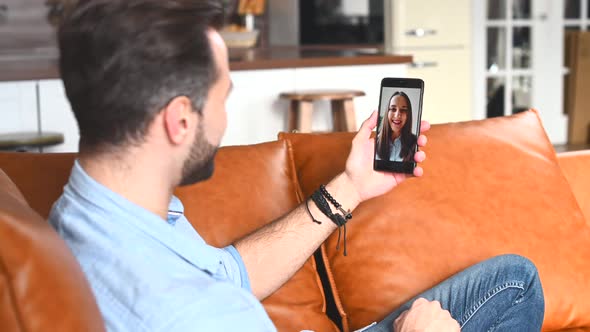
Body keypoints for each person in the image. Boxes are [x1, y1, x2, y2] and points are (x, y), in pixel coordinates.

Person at [49, 1, 545, 331]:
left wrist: (350, 186)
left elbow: (228, 272)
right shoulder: (198, 313)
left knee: (513, 279)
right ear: (180, 120)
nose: (224, 117)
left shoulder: (87, 216)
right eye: (224, 96)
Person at [376, 91, 418, 162]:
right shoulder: (375, 141)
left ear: (408, 115)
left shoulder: (415, 142)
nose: (397, 115)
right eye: (393, 109)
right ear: (387, 113)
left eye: (403, 110)